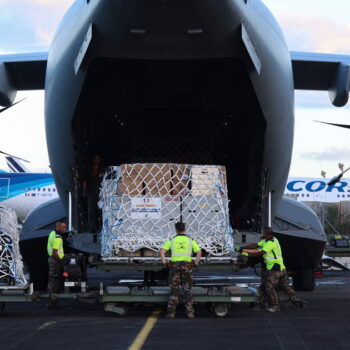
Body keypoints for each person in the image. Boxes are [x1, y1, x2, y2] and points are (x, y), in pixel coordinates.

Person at [238, 227, 304, 312]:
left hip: (275, 269)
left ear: (267, 234)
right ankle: (293, 298)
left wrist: (246, 254)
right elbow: (255, 245)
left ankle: (275, 306)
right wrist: (241, 248)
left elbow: (259, 253)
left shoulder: (271, 243)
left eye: (263, 233)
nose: (262, 234)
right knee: (283, 286)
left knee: (269, 287)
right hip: (281, 268)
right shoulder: (270, 240)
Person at [160, 222, 202, 319]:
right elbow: (199, 252)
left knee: (174, 291)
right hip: (187, 266)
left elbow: (162, 251)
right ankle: (190, 313)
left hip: (175, 267)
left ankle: (171, 313)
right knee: (187, 290)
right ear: (185, 229)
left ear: (176, 229)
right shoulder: (190, 240)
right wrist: (195, 263)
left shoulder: (172, 240)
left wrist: (165, 263)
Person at [82, 154, 102, 234]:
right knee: (91, 211)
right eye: (95, 158)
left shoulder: (102, 169)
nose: (96, 160)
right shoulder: (88, 169)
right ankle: (92, 228)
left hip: (100, 193)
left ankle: (102, 227)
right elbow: (84, 180)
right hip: (91, 193)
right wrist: (84, 191)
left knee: (102, 210)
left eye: (98, 158)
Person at [47, 221, 67, 299]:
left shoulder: (52, 233)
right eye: (63, 227)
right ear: (58, 227)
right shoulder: (58, 238)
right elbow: (55, 252)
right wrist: (60, 261)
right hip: (55, 260)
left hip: (51, 258)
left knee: (52, 279)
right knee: (55, 279)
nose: (64, 229)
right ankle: (53, 298)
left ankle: (51, 296)